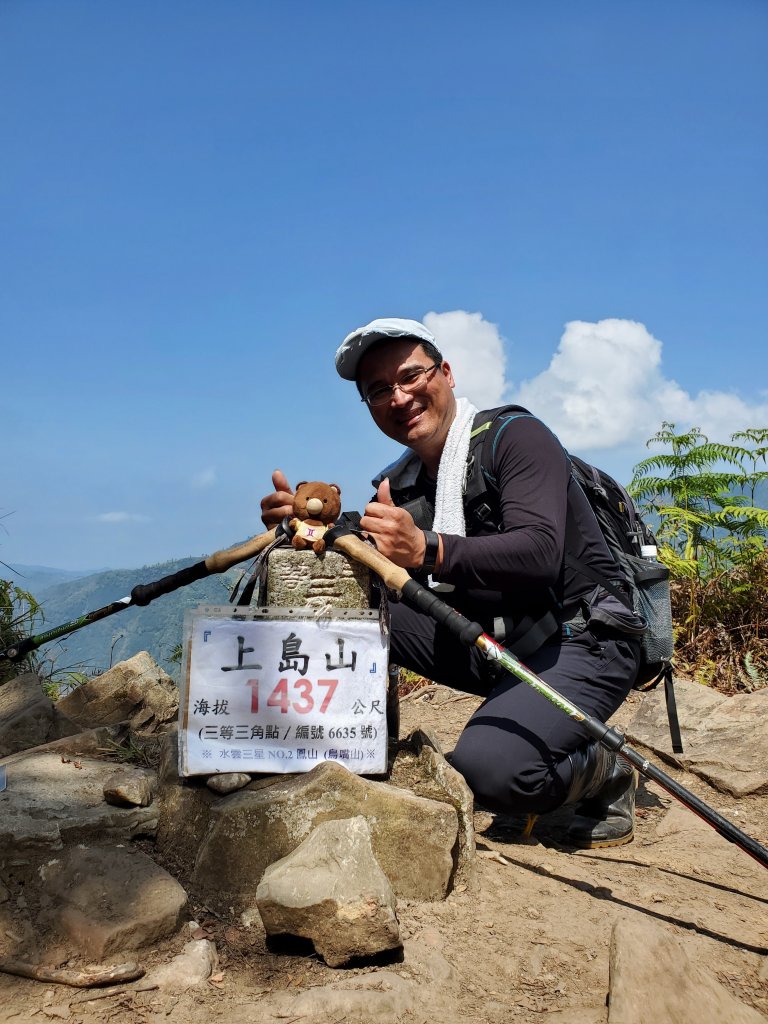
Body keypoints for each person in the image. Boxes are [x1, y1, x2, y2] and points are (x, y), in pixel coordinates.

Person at [260, 318, 644, 848]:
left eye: (411, 375)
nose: (400, 396)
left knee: (489, 772)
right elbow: (369, 554)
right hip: (501, 643)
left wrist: (427, 548)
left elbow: (538, 552)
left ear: (446, 373)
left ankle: (605, 767)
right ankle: (351, 748)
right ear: (369, 407)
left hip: (584, 636)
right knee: (357, 614)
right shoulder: (402, 483)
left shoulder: (517, 438)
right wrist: (303, 529)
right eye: (378, 390)